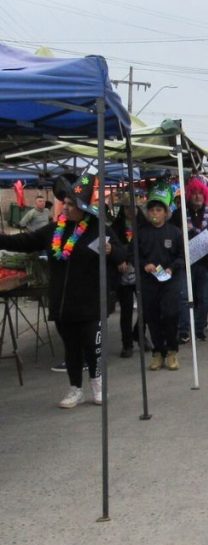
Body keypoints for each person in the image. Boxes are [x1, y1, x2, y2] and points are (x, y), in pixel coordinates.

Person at [0, 172, 126, 407]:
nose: (65, 207)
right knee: (71, 349)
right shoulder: (53, 230)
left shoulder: (98, 229)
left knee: (92, 345)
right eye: (65, 203)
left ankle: (98, 386)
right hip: (62, 303)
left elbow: (122, 254)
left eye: (71, 204)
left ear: (84, 208)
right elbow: (24, 242)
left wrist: (112, 252)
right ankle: (75, 389)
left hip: (90, 302)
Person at [138, 184, 185, 372]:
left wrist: (171, 269)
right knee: (152, 316)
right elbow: (133, 253)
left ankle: (172, 350)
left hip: (170, 280)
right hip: (149, 281)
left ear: (166, 212)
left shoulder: (175, 232)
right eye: (151, 210)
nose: (154, 213)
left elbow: (182, 256)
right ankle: (158, 352)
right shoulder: (141, 232)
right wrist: (144, 264)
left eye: (159, 209)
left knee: (171, 314)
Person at [178, 177, 208, 344]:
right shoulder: (181, 213)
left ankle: (199, 329)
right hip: (186, 263)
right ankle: (184, 330)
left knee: (204, 298)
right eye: (194, 193)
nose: (197, 196)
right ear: (189, 195)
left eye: (200, 193)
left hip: (207, 263)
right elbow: (172, 232)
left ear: (205, 195)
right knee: (184, 297)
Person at [112, 193, 144, 358]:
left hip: (141, 270)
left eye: (133, 207)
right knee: (126, 311)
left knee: (145, 308)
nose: (130, 210)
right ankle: (127, 344)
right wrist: (120, 259)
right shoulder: (116, 227)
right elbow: (112, 246)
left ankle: (139, 334)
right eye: (126, 207)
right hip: (123, 273)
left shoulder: (144, 225)